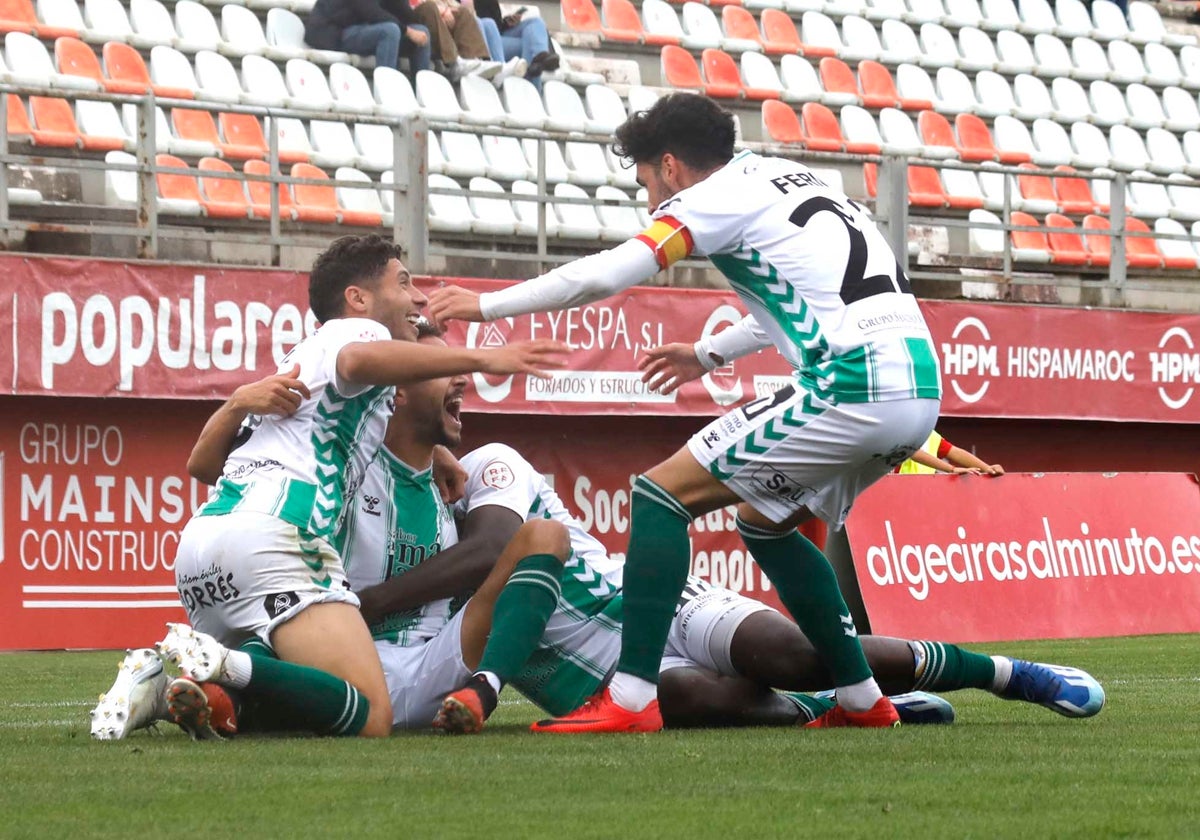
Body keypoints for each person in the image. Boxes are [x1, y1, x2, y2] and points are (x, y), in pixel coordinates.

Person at [428, 92, 942, 733]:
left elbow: (611, 273)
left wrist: (486, 307)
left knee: (658, 496)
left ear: (669, 167)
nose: (651, 201)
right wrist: (707, 351)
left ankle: (633, 698)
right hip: (918, 385)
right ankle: (863, 702)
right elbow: (811, 297)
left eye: (646, 182)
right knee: (764, 524)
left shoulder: (708, 198)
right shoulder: (792, 180)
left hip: (852, 384)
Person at [89, 235, 568, 741]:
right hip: (275, 538)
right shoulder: (354, 334)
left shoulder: (304, 366)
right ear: (358, 299)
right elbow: (358, 362)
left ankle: (168, 684)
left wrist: (439, 451)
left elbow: (202, 464)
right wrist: (480, 360)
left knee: (277, 710)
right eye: (404, 283)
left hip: (204, 545)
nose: (420, 298)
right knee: (370, 716)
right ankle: (221, 664)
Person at [304, 0, 432, 78]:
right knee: (390, 31)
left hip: (362, 28)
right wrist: (407, 31)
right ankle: (386, 89)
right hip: (335, 32)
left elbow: (405, 15)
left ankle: (421, 93)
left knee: (421, 31)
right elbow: (370, 12)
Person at [472, 0, 558, 91]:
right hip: (484, 39)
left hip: (498, 34)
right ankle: (532, 83)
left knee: (536, 22)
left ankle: (538, 58)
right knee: (530, 44)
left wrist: (506, 23)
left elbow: (496, 25)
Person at [405, 0, 498, 81]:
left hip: (432, 13)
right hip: (409, 19)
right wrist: (439, 10)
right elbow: (401, 7)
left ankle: (476, 62)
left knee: (462, 12)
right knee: (429, 7)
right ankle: (455, 63)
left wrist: (446, 9)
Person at [895, 430, 1005, 475]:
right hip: (898, 491)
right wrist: (952, 469)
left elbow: (955, 452)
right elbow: (913, 453)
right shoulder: (900, 430)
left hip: (924, 494)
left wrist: (988, 468)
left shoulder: (931, 435)